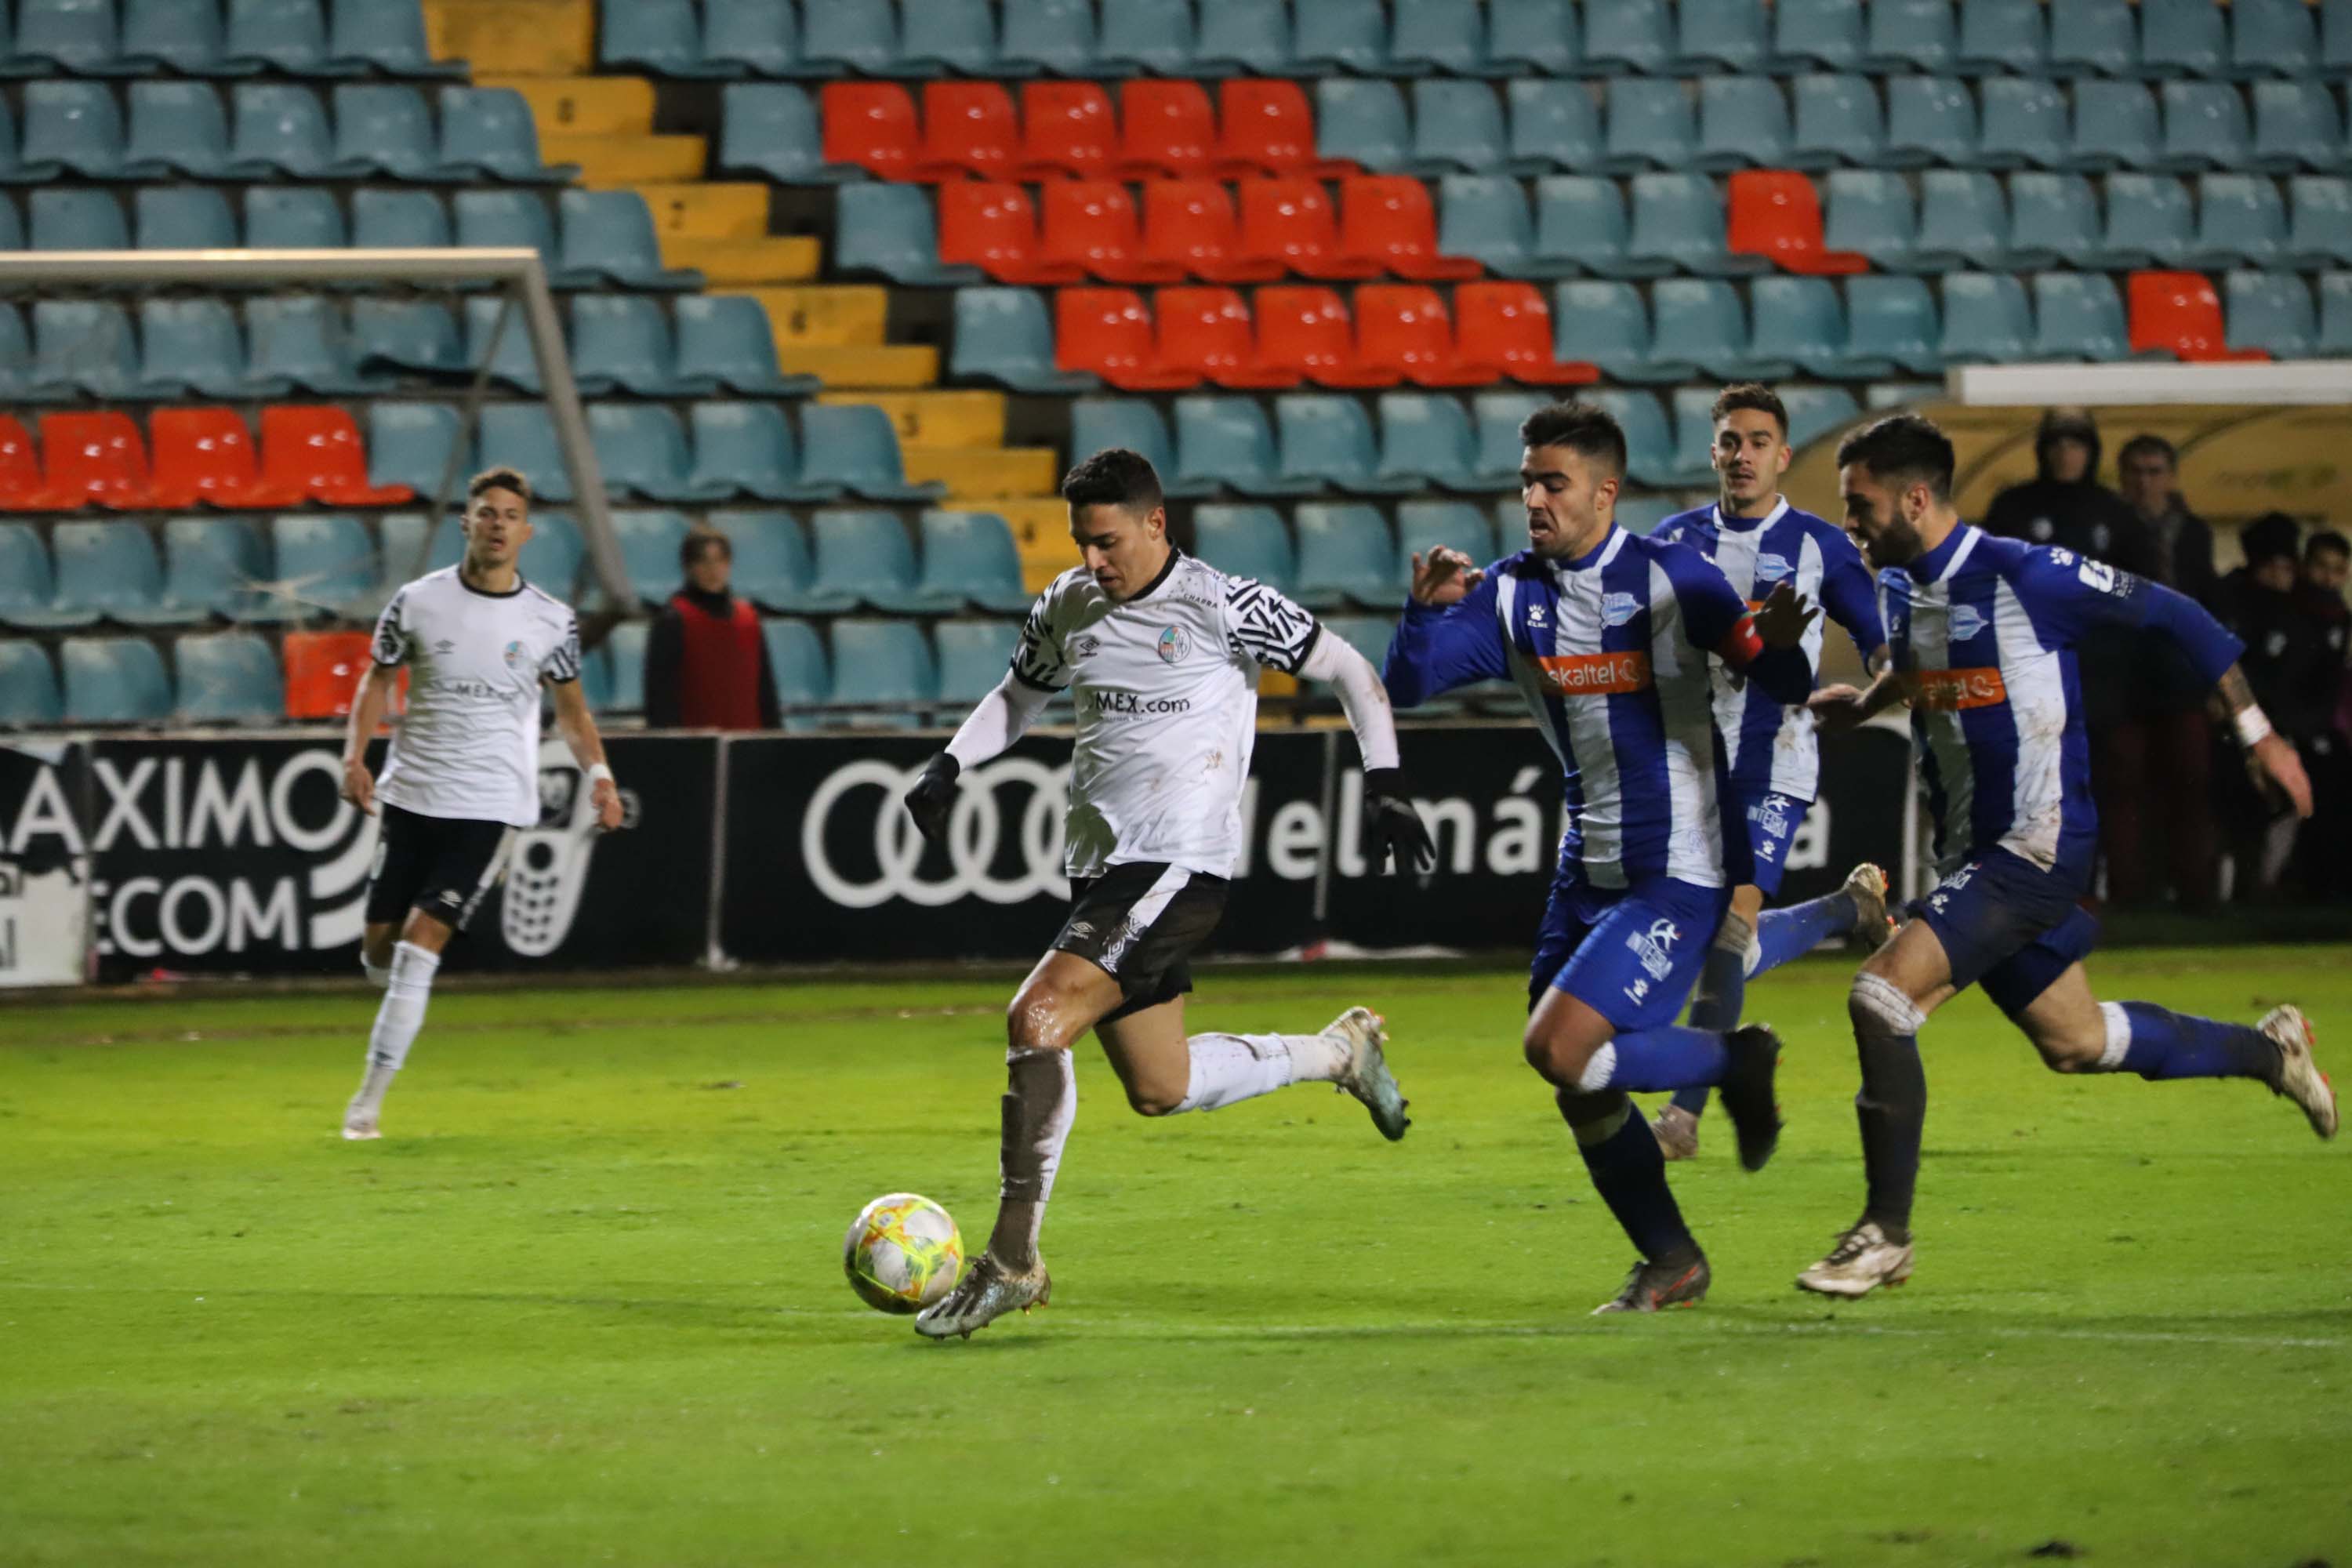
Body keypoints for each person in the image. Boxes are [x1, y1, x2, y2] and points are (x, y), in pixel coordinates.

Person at [900, 448, 1436, 1341]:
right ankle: (1340, 1053)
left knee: (1036, 1020)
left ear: (1157, 524)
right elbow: (1018, 696)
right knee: (1161, 1083)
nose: (1093, 561)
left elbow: (1348, 668)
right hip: (1102, 869)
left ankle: (1010, 1259)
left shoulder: (1223, 604)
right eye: (1081, 543)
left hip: (1180, 866)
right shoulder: (1068, 604)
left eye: (1108, 541)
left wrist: (1385, 779)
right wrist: (951, 761)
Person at [1797, 416, 2332, 1300]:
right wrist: (1870, 703)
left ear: (1916, 498)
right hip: (1974, 852)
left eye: (1861, 504)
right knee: (2078, 1041)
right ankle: (2271, 1051)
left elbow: (2180, 614)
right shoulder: (1899, 588)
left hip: (2036, 845)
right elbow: (1925, 663)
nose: (1849, 521)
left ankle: (1884, 1233)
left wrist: (2258, 735)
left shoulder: (2024, 574)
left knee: (1882, 993)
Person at [1382, 401, 1821, 1315]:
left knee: (1562, 1043)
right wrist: (1422, 616)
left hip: (1682, 866)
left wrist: (1778, 648)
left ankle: (1732, 1061)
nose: (1535, 498)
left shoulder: (1677, 580)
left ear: (1604, 492)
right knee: (1579, 1086)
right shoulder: (1509, 593)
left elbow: (1774, 678)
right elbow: (1410, 685)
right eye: (1528, 481)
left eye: (1555, 482)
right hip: (1587, 869)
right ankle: (1673, 1260)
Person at [1646, 384, 1896, 1162]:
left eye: (1759, 440)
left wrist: (1877, 692)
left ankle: (1683, 1114)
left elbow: (1882, 638)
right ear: (1713, 452)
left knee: (1726, 927)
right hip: (1688, 763)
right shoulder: (1674, 541)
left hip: (1774, 761)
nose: (1743, 454)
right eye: (1730, 441)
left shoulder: (1820, 545)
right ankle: (1844, 909)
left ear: (1783, 456)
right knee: (1725, 945)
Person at [336, 467, 624, 1140]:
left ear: (525, 532)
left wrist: (601, 776)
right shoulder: (416, 602)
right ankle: (399, 1006)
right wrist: (355, 757)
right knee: (378, 950)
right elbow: (377, 681)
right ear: (465, 523)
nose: (496, 524)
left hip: (492, 804)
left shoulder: (550, 620)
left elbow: (574, 714)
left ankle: (367, 1104)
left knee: (419, 944)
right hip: (412, 795)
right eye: (485, 512)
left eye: (509, 515)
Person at [2107, 434, 2223, 907]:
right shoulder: (2108, 529)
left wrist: (2216, 677)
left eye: (2155, 471)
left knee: (2192, 786)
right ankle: (2132, 895)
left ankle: (2197, 892)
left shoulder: (2193, 532)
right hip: (2124, 678)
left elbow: (2208, 605)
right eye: (2136, 471)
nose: (2145, 481)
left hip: (2182, 677)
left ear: (2171, 476)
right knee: (2124, 791)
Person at [2216, 514, 2323, 899]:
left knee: (2273, 815)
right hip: (2243, 730)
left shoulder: (2297, 612)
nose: (2284, 573)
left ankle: (2259, 889)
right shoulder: (2237, 606)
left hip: (2276, 730)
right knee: (2241, 816)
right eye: (2276, 565)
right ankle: (2240, 893)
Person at [644, 526, 782, 731]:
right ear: (689, 567)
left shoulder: (749, 619)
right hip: (695, 750)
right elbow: (661, 697)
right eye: (703, 562)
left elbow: (765, 691)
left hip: (749, 744)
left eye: (720, 560)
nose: (713, 570)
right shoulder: (673, 619)